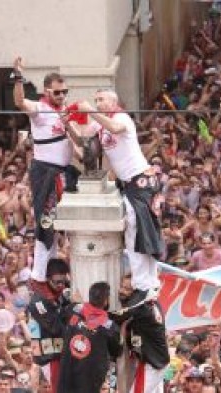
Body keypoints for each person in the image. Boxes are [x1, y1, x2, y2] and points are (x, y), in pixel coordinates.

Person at [76, 90, 164, 300]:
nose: (98, 103)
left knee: (139, 231)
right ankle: (146, 282)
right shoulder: (99, 123)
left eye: (101, 100)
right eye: (95, 100)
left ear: (113, 102)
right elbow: (83, 138)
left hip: (141, 179)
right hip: (128, 183)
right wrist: (69, 121)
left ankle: (145, 283)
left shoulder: (121, 117)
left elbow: (114, 127)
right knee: (135, 230)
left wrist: (90, 111)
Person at [13, 57, 73, 293]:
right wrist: (18, 76)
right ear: (48, 91)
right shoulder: (40, 108)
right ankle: (38, 277)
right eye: (57, 92)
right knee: (45, 222)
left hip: (63, 172)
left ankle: (52, 269)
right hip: (46, 172)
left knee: (59, 223)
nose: (61, 96)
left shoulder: (65, 111)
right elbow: (19, 102)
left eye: (64, 92)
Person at [58, 281, 122, 393]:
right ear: (106, 300)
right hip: (90, 381)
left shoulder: (73, 310)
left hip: (67, 376)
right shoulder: (109, 327)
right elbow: (117, 351)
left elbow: (62, 316)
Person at [113, 274, 170, 393]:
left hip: (153, 364)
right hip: (151, 359)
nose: (122, 291)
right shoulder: (149, 304)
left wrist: (85, 307)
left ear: (137, 293)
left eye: (127, 289)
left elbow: (115, 317)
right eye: (122, 287)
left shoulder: (140, 307)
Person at [27, 258, 72, 393]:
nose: (61, 285)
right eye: (57, 282)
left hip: (61, 354)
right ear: (47, 279)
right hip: (49, 356)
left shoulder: (60, 295)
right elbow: (55, 328)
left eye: (64, 282)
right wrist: (71, 308)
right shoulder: (39, 301)